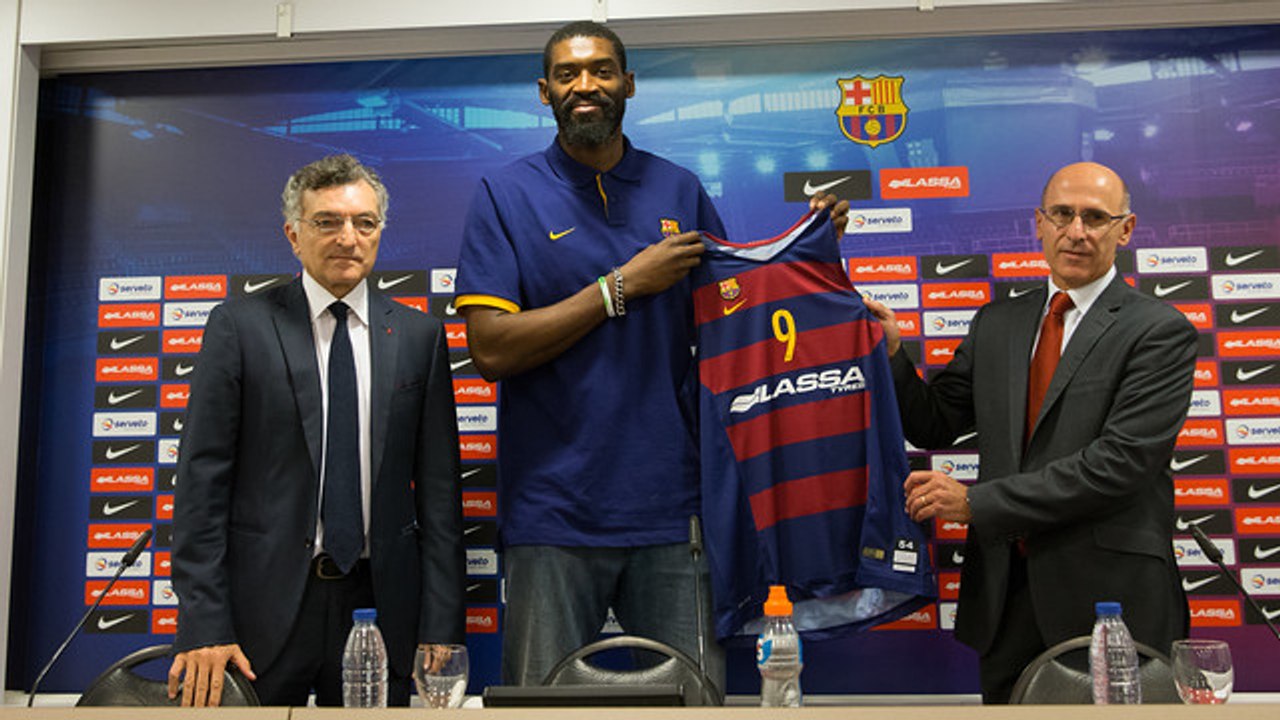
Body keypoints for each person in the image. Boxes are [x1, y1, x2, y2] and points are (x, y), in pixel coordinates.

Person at [454, 20, 846, 688]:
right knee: (541, 706)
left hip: (673, 507)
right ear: (544, 91)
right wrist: (619, 288)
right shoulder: (505, 193)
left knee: (691, 701)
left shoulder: (678, 189)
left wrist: (806, 255)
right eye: (568, 74)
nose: (586, 85)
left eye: (602, 71)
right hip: (553, 512)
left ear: (628, 84)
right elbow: (490, 349)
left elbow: (736, 318)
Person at [865, 161, 1195, 703]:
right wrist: (893, 355)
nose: (1076, 231)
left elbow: (1120, 464)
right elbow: (934, 422)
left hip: (1110, 600)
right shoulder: (998, 322)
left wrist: (977, 503)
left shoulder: (1159, 330)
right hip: (1004, 597)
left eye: (1095, 217)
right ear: (1039, 223)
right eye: (1062, 214)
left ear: (1125, 229)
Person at [168, 154, 466, 706]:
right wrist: (204, 622)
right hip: (262, 613)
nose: (348, 238)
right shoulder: (239, 327)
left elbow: (441, 495)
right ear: (293, 235)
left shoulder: (419, 336)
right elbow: (200, 487)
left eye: (364, 222)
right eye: (327, 221)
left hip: (382, 609)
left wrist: (442, 621)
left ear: (379, 232)